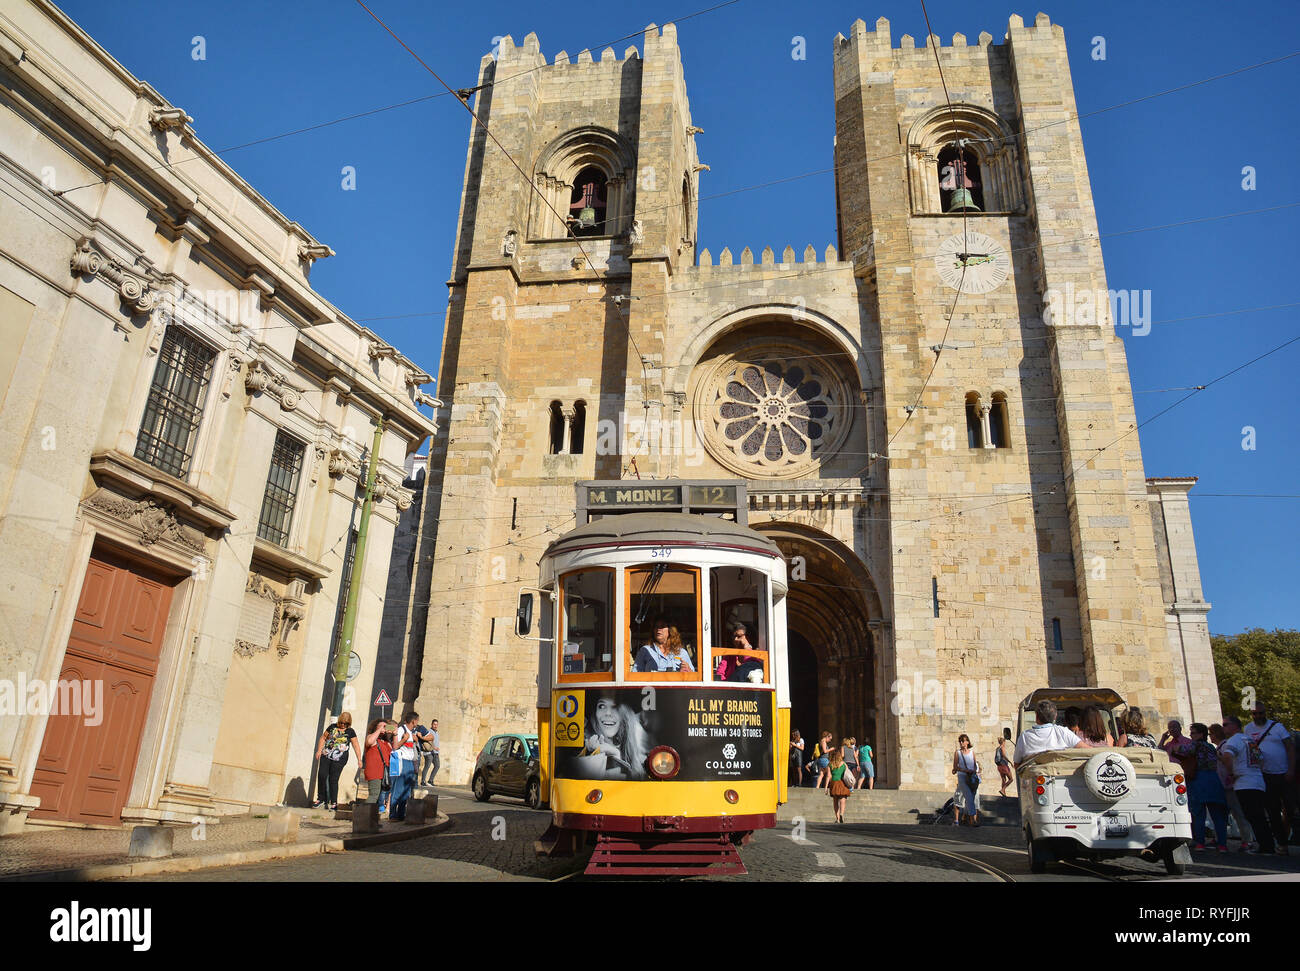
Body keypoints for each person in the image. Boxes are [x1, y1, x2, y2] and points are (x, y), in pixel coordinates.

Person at [1243, 703, 1297, 853]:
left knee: (1291, 809)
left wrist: (1291, 769)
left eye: (1260, 713)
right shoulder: (1248, 729)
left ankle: (1288, 838)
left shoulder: (1278, 727)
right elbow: (1250, 750)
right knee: (1273, 811)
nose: (1258, 716)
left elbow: (1290, 748)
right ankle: (1282, 844)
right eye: (1255, 714)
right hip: (1265, 774)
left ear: (1265, 712)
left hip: (1284, 773)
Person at [1219, 715, 1275, 854]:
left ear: (1235, 726)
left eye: (1226, 724)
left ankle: (1265, 846)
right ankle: (1267, 844)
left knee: (1252, 815)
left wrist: (1231, 773)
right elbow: (1260, 758)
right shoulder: (1249, 740)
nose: (1223, 727)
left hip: (1244, 782)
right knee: (1259, 815)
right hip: (1257, 780)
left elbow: (1227, 756)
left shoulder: (1234, 740)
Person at [577, 695, 649, 780]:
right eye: (601, 706)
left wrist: (617, 757)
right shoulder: (582, 750)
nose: (608, 713)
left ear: (625, 715)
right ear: (595, 713)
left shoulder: (639, 759)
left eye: (615, 707)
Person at [1210, 723, 1255, 849]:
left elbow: (1228, 761)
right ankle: (1219, 837)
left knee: (1238, 813)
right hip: (1223, 784)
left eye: (1211, 734)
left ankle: (1247, 840)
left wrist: (1230, 774)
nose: (1210, 737)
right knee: (1223, 813)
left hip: (1230, 784)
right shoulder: (1221, 746)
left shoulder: (1225, 745)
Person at [1187, 722, 1229, 852]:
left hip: (1200, 779)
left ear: (1200, 734)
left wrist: (1173, 748)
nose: (1190, 735)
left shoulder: (1195, 745)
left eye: (1193, 733)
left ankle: (1200, 843)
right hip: (1214, 779)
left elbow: (1184, 750)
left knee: (1199, 813)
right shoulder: (1211, 746)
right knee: (1218, 815)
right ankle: (1222, 844)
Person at [1013, 700, 1086, 768]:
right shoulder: (1062, 731)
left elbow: (1016, 764)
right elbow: (1086, 750)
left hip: (1035, 776)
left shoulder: (1025, 736)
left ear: (1036, 717)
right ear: (1055, 716)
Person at [314, 711, 361, 810]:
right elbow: (323, 738)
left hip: (340, 758)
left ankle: (334, 802)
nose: (343, 725)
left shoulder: (350, 731)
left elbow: (356, 745)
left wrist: (359, 759)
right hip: (326, 755)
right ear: (339, 721)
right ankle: (321, 799)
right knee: (322, 775)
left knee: (333, 779)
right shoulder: (332, 727)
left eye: (346, 724)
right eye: (342, 723)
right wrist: (319, 750)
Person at [389, 710, 422, 821]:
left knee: (406, 790)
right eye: (417, 721)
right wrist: (404, 739)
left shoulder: (411, 732)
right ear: (413, 721)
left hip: (410, 762)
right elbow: (395, 746)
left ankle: (401, 814)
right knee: (398, 789)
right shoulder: (401, 730)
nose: (417, 723)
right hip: (402, 761)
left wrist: (415, 741)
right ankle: (393, 815)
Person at [360, 718, 392, 805]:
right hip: (374, 771)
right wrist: (379, 729)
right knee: (374, 795)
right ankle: (362, 814)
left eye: (385, 726)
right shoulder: (371, 737)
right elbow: (369, 742)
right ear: (375, 727)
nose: (383, 728)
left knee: (379, 797)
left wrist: (395, 734)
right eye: (381, 726)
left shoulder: (386, 742)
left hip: (384, 773)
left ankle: (371, 815)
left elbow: (394, 749)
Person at [952, 734, 980, 826]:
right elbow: (955, 767)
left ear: (967, 742)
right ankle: (973, 820)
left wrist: (974, 771)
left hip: (972, 777)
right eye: (960, 741)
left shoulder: (972, 752)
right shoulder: (958, 753)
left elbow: (975, 765)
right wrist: (965, 770)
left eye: (963, 741)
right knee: (969, 797)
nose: (961, 743)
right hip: (962, 777)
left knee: (972, 797)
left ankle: (966, 817)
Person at [827, 748, 854, 823]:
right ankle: (842, 814)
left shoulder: (830, 764)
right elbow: (847, 774)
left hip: (834, 783)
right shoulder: (843, 764)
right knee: (843, 799)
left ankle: (837, 818)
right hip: (842, 783)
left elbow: (829, 776)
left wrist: (826, 787)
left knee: (835, 801)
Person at [418, 717, 440, 788]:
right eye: (434, 724)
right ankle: (423, 781)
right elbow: (429, 741)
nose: (435, 726)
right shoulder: (429, 731)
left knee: (437, 765)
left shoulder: (437, 733)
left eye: (436, 724)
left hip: (435, 752)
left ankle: (430, 780)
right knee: (427, 766)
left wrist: (436, 750)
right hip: (429, 752)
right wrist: (434, 748)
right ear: (431, 724)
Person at [994, 728, 1015, 796]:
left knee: (1003, 779)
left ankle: (1003, 792)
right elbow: (1003, 755)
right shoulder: (1002, 748)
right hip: (1004, 766)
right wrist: (1010, 762)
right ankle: (1003, 789)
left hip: (999, 766)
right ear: (1003, 742)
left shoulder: (997, 748)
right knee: (1011, 779)